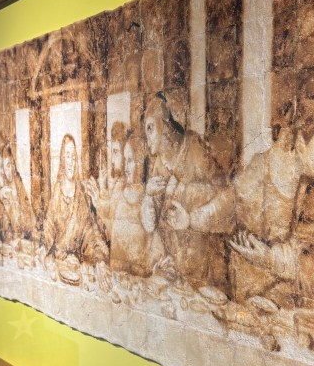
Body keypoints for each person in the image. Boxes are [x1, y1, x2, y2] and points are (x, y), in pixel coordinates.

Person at [229, 97, 314, 312]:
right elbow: (227, 210)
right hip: (247, 302)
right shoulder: (259, 168)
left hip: (287, 308)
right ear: (297, 140)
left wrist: (270, 258)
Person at [141, 91, 233, 290]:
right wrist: (148, 196)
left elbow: (227, 199)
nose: (147, 138)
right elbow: (151, 226)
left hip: (206, 270)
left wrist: (190, 218)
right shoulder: (159, 163)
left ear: (165, 125)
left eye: (150, 128)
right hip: (177, 271)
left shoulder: (194, 147)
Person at [42, 133, 109, 279]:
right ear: (62, 159)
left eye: (73, 157)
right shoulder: (57, 193)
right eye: (67, 156)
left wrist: (99, 260)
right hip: (58, 265)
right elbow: (48, 228)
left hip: (76, 269)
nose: (71, 162)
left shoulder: (81, 195)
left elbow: (91, 233)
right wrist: (49, 252)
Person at [110, 130, 164, 277]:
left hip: (140, 280)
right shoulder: (119, 191)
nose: (126, 167)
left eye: (130, 160)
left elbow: (154, 242)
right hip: (117, 276)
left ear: (141, 163)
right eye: (125, 159)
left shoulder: (149, 195)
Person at [85, 121, 126, 244]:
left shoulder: (124, 184)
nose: (112, 160)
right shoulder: (119, 180)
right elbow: (109, 209)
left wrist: (97, 199)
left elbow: (112, 226)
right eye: (112, 152)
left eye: (116, 152)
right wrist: (102, 188)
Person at [0, 144, 35, 243]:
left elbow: (29, 216)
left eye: (10, 165)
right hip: (11, 241)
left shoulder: (19, 184)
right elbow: (4, 226)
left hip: (25, 237)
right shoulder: (4, 192)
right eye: (6, 167)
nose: (9, 170)